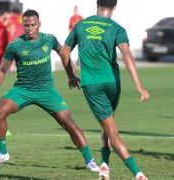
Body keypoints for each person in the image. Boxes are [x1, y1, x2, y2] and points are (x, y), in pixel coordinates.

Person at [0, 9, 99, 172]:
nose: (29, 28)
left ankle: (90, 161)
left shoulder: (49, 40)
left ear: (39, 25)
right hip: (22, 89)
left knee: (69, 123)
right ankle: (2, 153)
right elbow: (2, 70)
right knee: (1, 111)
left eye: (33, 25)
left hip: (46, 90)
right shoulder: (15, 45)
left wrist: (71, 75)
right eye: (26, 25)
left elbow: (63, 52)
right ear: (22, 25)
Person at [60, 0, 150, 180]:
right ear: (115, 6)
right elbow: (127, 55)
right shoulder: (117, 28)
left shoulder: (81, 25)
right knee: (108, 123)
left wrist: (71, 75)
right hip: (113, 83)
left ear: (97, 3)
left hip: (93, 84)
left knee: (111, 131)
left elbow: (64, 52)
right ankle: (104, 166)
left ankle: (138, 174)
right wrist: (139, 85)